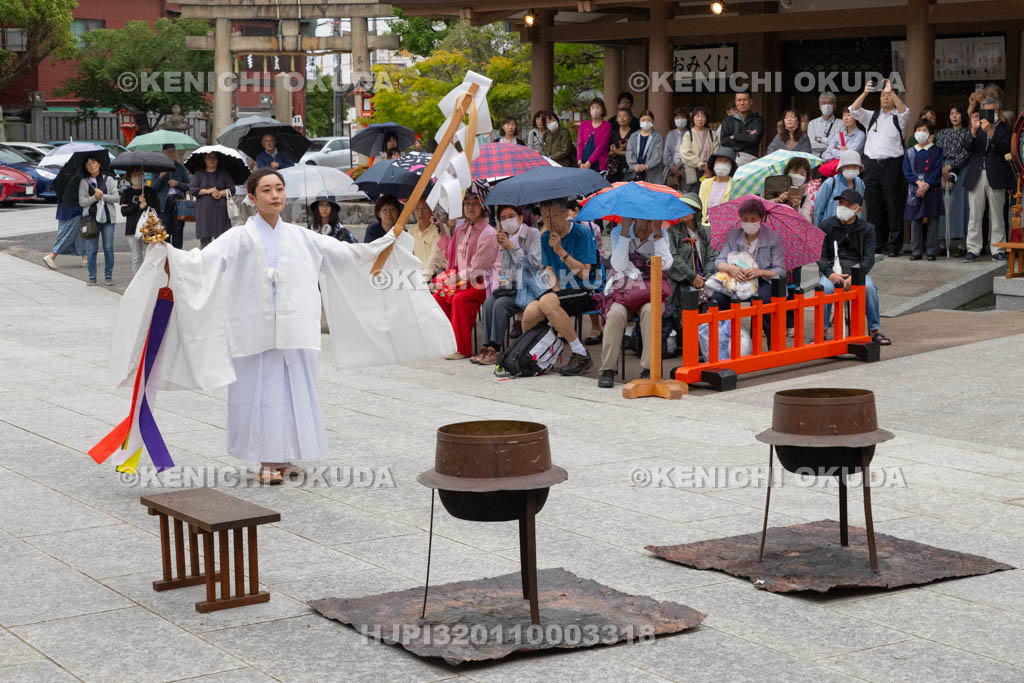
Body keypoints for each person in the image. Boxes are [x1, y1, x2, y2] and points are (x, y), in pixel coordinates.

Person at [110, 168, 453, 484]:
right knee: (259, 393)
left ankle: (287, 455)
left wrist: (386, 241)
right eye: (266, 190)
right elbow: (201, 262)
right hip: (253, 329)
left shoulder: (302, 237)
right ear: (252, 197)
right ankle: (265, 459)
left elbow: (347, 255)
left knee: (293, 391)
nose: (274, 195)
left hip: (294, 327)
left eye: (279, 189)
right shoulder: (239, 237)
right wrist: (166, 251)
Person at [521, 197, 598, 376]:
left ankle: (580, 352)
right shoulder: (546, 236)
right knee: (530, 313)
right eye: (546, 217)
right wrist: (555, 289)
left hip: (586, 288)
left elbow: (585, 273)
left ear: (566, 213)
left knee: (548, 302)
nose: (550, 221)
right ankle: (543, 351)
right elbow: (549, 268)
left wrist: (561, 251)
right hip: (562, 289)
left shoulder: (582, 233)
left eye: (555, 215)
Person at [596, 218, 673, 388]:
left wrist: (658, 234)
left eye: (647, 218)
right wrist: (624, 233)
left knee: (651, 311)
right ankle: (607, 369)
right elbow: (618, 265)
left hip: (651, 290)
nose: (644, 223)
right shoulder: (618, 232)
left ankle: (649, 369)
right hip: (626, 290)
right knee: (615, 314)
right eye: (639, 218)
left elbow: (666, 265)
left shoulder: (661, 233)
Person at [431, 189, 500, 360]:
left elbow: (479, 268)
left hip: (482, 283)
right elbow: (450, 256)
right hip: (464, 280)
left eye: (475, 204)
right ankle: (448, 342)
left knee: (460, 299)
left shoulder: (488, 233)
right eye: (467, 204)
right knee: (439, 296)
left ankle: (462, 348)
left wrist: (458, 278)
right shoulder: (462, 229)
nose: (470, 207)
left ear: (483, 207)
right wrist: (443, 230)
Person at [471, 205, 542, 365]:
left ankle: (495, 348)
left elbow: (533, 265)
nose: (507, 221)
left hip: (530, 288)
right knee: (489, 302)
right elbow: (506, 271)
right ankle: (486, 346)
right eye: (503, 218)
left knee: (501, 304)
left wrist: (512, 246)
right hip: (513, 286)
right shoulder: (506, 237)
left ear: (520, 218)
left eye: (511, 216)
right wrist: (503, 249)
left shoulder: (533, 234)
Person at [817, 189, 888, 345]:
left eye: (848, 205)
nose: (843, 207)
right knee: (824, 288)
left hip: (857, 271)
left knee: (869, 288)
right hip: (833, 271)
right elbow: (820, 256)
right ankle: (820, 332)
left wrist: (856, 276)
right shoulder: (826, 225)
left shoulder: (867, 229)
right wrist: (829, 274)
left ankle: (874, 330)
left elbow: (869, 258)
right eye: (841, 203)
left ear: (858, 210)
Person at [850, 77, 911, 258]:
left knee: (893, 205)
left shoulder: (898, 117)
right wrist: (866, 92)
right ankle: (876, 242)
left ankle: (894, 244)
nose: (885, 98)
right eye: (883, 95)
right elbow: (853, 110)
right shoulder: (872, 116)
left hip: (892, 164)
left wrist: (891, 90)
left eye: (888, 95)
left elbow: (905, 111)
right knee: (873, 205)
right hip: (871, 165)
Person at [709, 199, 786, 339]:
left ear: (761, 219)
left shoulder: (773, 238)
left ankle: (770, 344)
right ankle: (724, 340)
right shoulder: (733, 235)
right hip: (735, 279)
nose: (749, 223)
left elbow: (780, 270)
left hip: (762, 280)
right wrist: (731, 269)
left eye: (753, 219)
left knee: (764, 301)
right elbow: (719, 261)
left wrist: (759, 272)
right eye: (745, 219)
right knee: (717, 299)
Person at [962, 96, 1013, 262]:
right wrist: (974, 130)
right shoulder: (977, 126)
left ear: (998, 111)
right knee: (974, 215)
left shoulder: (1004, 127)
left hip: (996, 173)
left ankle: (998, 249)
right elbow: (967, 147)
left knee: (997, 215)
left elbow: (1006, 148)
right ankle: (973, 249)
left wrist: (991, 131)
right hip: (977, 173)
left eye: (992, 111)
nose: (989, 114)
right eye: (986, 111)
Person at [666, 194, 717, 315]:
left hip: (705, 280)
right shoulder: (672, 231)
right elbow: (673, 256)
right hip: (682, 279)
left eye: (687, 207)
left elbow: (712, 255)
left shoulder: (707, 231)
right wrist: (692, 276)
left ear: (696, 211)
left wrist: (706, 277)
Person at [903, 119, 945, 261]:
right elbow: (907, 171)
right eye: (919, 130)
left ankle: (932, 251)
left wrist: (927, 184)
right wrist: (918, 183)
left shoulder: (937, 151)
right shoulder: (910, 152)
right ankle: (916, 250)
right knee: (916, 220)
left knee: (933, 219)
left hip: (932, 189)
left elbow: (937, 169)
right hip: (915, 190)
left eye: (925, 130)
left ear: (931, 134)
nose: (921, 133)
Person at [934, 103, 971, 255]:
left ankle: (963, 243)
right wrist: (942, 168)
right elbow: (937, 151)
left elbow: (967, 152)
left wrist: (952, 166)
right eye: (951, 113)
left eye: (957, 113)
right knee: (943, 206)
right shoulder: (942, 133)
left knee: (961, 206)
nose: (954, 116)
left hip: (961, 170)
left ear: (963, 115)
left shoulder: (967, 133)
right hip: (942, 170)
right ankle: (942, 243)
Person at [78, 154, 119, 286]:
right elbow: (82, 202)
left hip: (107, 219)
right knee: (91, 249)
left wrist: (102, 196)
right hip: (91, 220)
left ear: (99, 165)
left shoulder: (109, 180)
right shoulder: (84, 182)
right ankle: (92, 277)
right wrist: (94, 198)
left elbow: (116, 198)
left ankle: (108, 276)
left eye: (93, 163)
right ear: (86, 166)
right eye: (88, 164)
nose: (91, 166)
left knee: (108, 248)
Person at [42, 174, 87, 271]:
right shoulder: (77, 178)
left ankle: (85, 258)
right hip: (74, 211)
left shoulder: (61, 178)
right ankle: (52, 256)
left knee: (80, 234)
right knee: (68, 234)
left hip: (64, 211)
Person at [119, 166, 160, 275]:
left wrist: (147, 204)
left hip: (149, 227)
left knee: (150, 256)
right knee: (137, 257)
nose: (138, 175)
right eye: (135, 173)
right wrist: (138, 205)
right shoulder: (126, 192)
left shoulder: (150, 191)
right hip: (132, 228)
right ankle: (137, 281)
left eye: (140, 173)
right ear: (130, 176)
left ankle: (148, 278)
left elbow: (157, 209)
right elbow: (124, 212)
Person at [189, 151, 235, 248]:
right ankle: (206, 262)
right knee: (205, 242)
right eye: (209, 157)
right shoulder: (199, 173)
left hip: (220, 212)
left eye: (214, 157)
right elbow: (193, 190)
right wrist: (208, 191)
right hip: (205, 213)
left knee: (222, 241)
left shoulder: (224, 173)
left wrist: (220, 193)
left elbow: (232, 190)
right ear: (204, 160)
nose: (212, 160)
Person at [150, 144, 191, 249]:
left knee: (178, 232)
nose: (171, 154)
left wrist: (177, 184)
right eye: (168, 152)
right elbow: (153, 188)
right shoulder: (157, 168)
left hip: (178, 204)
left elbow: (189, 186)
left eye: (173, 151)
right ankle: (166, 260)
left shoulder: (180, 168)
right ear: (163, 153)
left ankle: (177, 258)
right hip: (163, 205)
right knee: (165, 232)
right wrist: (160, 176)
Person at [815, 150, 866, 226]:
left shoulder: (860, 184)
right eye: (848, 166)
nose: (852, 169)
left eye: (855, 166)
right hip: (830, 229)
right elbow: (818, 209)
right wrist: (818, 230)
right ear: (841, 168)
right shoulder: (830, 183)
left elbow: (859, 207)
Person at [678, 106, 718, 194]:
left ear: (706, 118)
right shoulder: (689, 134)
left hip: (709, 170)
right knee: (692, 196)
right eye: (697, 116)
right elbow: (685, 153)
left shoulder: (712, 134)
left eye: (703, 116)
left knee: (708, 194)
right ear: (693, 118)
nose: (700, 119)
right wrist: (700, 163)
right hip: (693, 170)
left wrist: (709, 167)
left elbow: (716, 152)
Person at [719, 92, 765, 166]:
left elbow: (754, 140)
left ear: (751, 102)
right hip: (730, 159)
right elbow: (724, 141)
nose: (742, 103)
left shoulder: (757, 121)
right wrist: (746, 139)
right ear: (735, 102)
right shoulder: (727, 120)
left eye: (745, 100)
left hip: (750, 160)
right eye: (739, 100)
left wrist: (734, 137)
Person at [770, 156, 818, 223]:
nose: (798, 176)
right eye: (795, 172)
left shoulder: (805, 195)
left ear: (806, 177)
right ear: (787, 172)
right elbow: (762, 205)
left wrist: (797, 208)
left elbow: (807, 221)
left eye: (802, 174)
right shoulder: (773, 186)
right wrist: (776, 201)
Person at [698, 147, 737, 226]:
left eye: (726, 161)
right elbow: (700, 207)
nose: (722, 164)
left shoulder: (735, 185)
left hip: (724, 226)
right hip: (704, 226)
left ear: (731, 166)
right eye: (719, 160)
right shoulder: (705, 183)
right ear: (714, 163)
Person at [626, 110, 666, 184]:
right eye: (643, 120)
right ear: (639, 121)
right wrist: (634, 166)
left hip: (652, 174)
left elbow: (657, 156)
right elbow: (629, 152)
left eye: (648, 120)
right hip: (635, 173)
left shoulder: (658, 137)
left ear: (653, 122)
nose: (645, 122)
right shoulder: (633, 136)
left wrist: (646, 166)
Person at [409, 198, 442, 281]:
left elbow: (435, 258)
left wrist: (424, 279)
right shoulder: (411, 231)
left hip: (436, 273)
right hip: (418, 274)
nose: (420, 213)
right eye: (417, 209)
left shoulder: (440, 230)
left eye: (424, 208)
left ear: (432, 210)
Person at [578, 98, 612, 171]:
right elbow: (579, 144)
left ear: (602, 111)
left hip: (599, 163)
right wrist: (579, 161)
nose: (595, 110)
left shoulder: (606, 125)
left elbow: (602, 146)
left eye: (598, 108)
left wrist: (589, 162)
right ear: (589, 110)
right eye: (593, 107)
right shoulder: (583, 124)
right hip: (583, 163)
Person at [663, 107, 690, 190]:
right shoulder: (670, 134)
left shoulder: (690, 133)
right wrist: (673, 167)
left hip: (686, 168)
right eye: (677, 117)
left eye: (683, 117)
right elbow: (666, 154)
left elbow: (690, 153)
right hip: (670, 170)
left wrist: (679, 165)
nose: (680, 119)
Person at [607, 108, 635, 182]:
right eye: (619, 116)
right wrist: (622, 148)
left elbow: (634, 154)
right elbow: (609, 153)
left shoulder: (634, 134)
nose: (622, 118)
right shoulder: (613, 134)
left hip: (630, 168)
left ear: (630, 118)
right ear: (616, 119)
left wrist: (616, 151)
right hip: (614, 169)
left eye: (625, 116)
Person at [807, 92, 839, 157]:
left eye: (830, 103)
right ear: (819, 106)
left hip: (833, 161)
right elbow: (812, 144)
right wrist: (831, 147)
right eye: (824, 103)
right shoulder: (812, 123)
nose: (827, 105)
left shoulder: (841, 124)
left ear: (835, 106)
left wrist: (821, 139)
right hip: (816, 161)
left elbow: (839, 144)